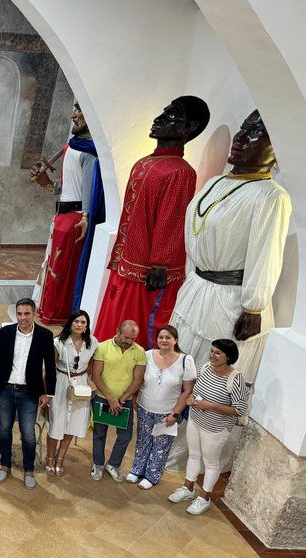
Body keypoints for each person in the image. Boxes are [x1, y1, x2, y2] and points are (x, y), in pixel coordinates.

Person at [171, 110, 291, 384]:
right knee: (181, 367)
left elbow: (266, 254)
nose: (241, 138)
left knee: (213, 379)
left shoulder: (271, 196)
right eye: (242, 129)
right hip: (198, 290)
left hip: (230, 302)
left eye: (256, 133)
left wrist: (253, 307)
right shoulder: (216, 182)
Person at [93, 96, 210, 349]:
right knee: (115, 329)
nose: (158, 119)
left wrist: (162, 264)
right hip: (128, 262)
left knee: (139, 332)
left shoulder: (180, 171)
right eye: (163, 113)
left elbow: (172, 219)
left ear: (189, 127)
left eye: (171, 117)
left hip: (149, 271)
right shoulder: (146, 162)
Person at [32, 102, 105, 324]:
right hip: (62, 216)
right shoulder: (72, 146)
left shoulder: (90, 153)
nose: (73, 115)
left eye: (79, 110)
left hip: (74, 220)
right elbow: (65, 187)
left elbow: (88, 191)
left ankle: (59, 314)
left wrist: (85, 217)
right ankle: (46, 310)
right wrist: (45, 182)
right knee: (52, 265)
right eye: (74, 109)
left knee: (62, 269)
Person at [168, 340, 249, 515]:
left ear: (229, 357)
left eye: (217, 353)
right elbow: (197, 391)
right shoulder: (205, 368)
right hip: (196, 421)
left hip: (216, 429)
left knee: (211, 463)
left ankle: (204, 498)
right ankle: (188, 488)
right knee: (194, 455)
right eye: (211, 351)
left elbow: (239, 410)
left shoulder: (236, 379)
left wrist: (210, 406)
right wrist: (191, 400)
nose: (212, 355)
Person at [0, 298, 56, 489]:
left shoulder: (44, 335)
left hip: (30, 392)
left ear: (34, 313)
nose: (23, 318)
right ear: (15, 314)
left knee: (28, 434)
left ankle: (28, 469)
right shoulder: (6, 331)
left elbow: (50, 366)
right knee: (4, 429)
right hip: (6, 390)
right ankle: (5, 464)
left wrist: (49, 392)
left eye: (27, 313)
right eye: (20, 314)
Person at [129, 325, 195, 489]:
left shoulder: (186, 361)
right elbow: (138, 380)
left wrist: (175, 413)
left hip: (168, 412)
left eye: (168, 337)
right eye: (161, 337)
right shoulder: (147, 355)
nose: (164, 340)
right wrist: (135, 400)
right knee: (143, 441)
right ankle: (137, 470)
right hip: (145, 407)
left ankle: (152, 476)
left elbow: (187, 390)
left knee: (161, 446)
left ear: (175, 340)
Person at [90, 320, 146, 482]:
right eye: (126, 337)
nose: (129, 342)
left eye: (132, 339)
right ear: (117, 331)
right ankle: (98, 464)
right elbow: (96, 375)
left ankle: (113, 464)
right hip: (102, 397)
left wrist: (121, 399)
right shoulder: (103, 347)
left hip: (124, 401)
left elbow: (138, 379)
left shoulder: (139, 352)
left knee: (125, 435)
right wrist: (110, 398)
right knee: (99, 433)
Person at [45, 310, 98, 477]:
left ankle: (61, 458)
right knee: (57, 422)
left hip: (80, 385)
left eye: (83, 322)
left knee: (72, 423)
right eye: (76, 321)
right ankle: (50, 457)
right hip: (61, 382)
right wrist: (47, 391)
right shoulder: (58, 342)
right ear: (70, 323)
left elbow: (92, 365)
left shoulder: (92, 342)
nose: (79, 325)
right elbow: (49, 368)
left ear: (86, 326)